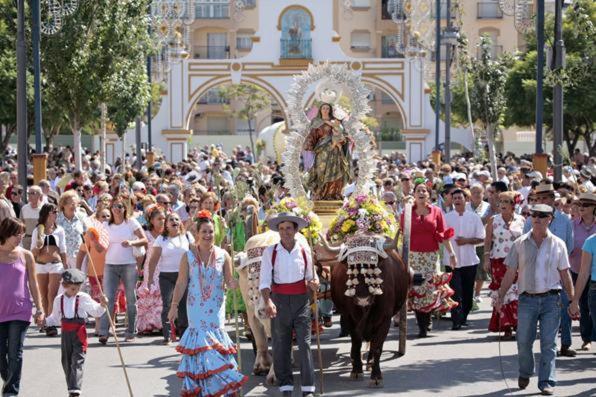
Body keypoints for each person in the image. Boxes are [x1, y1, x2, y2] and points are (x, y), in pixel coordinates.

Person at [496, 204, 575, 396]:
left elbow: (565, 275)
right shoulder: (520, 243)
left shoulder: (558, 244)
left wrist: (573, 301)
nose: (537, 218)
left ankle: (547, 381)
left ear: (551, 219)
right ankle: (525, 372)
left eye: (542, 215)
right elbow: (509, 274)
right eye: (534, 215)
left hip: (551, 299)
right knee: (524, 341)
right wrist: (500, 297)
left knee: (549, 343)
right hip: (527, 300)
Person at [167, 210, 246, 396]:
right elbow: (181, 282)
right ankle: (202, 391)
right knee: (200, 348)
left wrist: (235, 283)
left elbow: (229, 280)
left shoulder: (223, 255)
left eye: (211, 231)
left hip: (215, 309)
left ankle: (218, 390)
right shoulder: (187, 256)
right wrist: (174, 306)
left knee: (215, 349)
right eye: (204, 232)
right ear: (197, 233)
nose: (208, 235)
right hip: (195, 309)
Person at [259, 212, 319, 397]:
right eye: (282, 228)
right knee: (280, 345)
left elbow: (310, 276)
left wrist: (314, 282)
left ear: (295, 231)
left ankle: (308, 388)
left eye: (289, 228)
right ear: (278, 230)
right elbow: (264, 282)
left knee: (305, 344)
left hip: (301, 301)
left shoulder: (304, 250)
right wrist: (268, 301)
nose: (285, 232)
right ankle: (286, 386)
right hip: (279, 302)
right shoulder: (271, 252)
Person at [523, 183, 575, 357]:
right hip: (535, 272)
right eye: (538, 198)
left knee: (565, 305)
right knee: (538, 309)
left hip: (559, 270)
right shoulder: (530, 219)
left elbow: (569, 245)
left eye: (545, 197)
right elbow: (524, 244)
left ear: (553, 200)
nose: (541, 201)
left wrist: (560, 265)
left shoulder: (565, 220)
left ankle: (566, 343)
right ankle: (535, 346)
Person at [401, 180, 458, 338]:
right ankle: (422, 324)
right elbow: (401, 235)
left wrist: (452, 254)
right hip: (413, 257)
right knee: (417, 288)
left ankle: (428, 316)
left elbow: (443, 235)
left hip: (431, 257)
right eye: (418, 190)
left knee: (430, 289)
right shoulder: (407, 212)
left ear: (429, 195)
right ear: (413, 194)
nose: (421, 193)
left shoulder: (436, 211)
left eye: (424, 191)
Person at [43, 269, 107, 397]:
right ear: (64, 286)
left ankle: (75, 390)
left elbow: (96, 312)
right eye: (73, 288)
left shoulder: (83, 298)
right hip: (66, 334)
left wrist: (103, 305)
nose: (76, 291)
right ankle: (71, 387)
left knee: (77, 360)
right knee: (66, 362)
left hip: (79, 333)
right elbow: (54, 318)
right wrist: (44, 321)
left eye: (78, 288)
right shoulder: (58, 300)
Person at [0, 217, 44, 396]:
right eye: (16, 234)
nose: (20, 237)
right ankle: (9, 380)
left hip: (20, 310)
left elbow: (33, 284)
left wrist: (39, 309)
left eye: (22, 234)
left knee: (15, 352)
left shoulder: (26, 255)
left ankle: (11, 392)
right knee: (1, 355)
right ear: (6, 233)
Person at [98, 195, 147, 344]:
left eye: (120, 207)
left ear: (125, 209)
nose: (117, 209)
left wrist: (132, 242)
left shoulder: (130, 222)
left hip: (128, 264)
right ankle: (104, 332)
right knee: (108, 299)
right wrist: (93, 240)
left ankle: (131, 331)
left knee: (131, 298)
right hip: (110, 265)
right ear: (111, 209)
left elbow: (144, 240)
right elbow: (100, 246)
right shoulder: (106, 225)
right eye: (114, 207)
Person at [484, 191, 525, 338]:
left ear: (513, 205)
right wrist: (486, 258)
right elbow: (488, 241)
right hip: (498, 261)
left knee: (516, 292)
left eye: (506, 201)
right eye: (500, 201)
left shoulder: (521, 220)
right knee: (502, 291)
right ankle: (506, 326)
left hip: (517, 261)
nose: (502, 204)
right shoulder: (493, 220)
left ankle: (517, 324)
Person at [147, 212, 193, 344]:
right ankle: (167, 334)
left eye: (177, 219)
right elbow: (153, 261)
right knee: (167, 304)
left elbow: (196, 254)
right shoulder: (161, 239)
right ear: (166, 224)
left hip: (184, 276)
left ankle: (183, 334)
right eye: (171, 219)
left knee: (183, 305)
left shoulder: (188, 237)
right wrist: (149, 279)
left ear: (180, 223)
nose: (174, 221)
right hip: (166, 276)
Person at [444, 189, 485, 330]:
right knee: (455, 291)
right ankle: (456, 319)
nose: (457, 200)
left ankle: (464, 316)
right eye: (454, 198)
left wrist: (467, 241)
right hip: (451, 261)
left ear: (465, 199)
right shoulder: (447, 217)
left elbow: (482, 238)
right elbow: (442, 237)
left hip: (469, 260)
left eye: (459, 198)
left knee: (467, 292)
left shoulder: (473, 217)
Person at [30, 203, 68, 337]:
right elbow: (32, 251)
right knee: (43, 295)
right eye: (54, 212)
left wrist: (65, 264)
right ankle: (45, 322)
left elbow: (63, 249)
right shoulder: (37, 230)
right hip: (40, 264)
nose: (56, 214)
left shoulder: (59, 230)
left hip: (55, 264)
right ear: (47, 214)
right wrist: (38, 245)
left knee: (52, 294)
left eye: (57, 212)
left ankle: (51, 323)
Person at [303, 103, 352, 200]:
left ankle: (334, 194)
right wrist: (308, 144)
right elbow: (312, 136)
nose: (325, 110)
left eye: (327, 108)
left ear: (330, 110)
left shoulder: (335, 122)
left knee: (337, 170)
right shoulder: (316, 122)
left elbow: (344, 135)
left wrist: (339, 140)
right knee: (321, 171)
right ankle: (320, 193)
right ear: (320, 110)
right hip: (322, 151)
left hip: (335, 151)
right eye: (323, 108)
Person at [568, 192, 596, 350]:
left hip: (594, 272)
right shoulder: (572, 225)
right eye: (580, 205)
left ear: (594, 208)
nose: (582, 208)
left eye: (586, 205)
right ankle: (587, 338)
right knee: (584, 305)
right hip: (577, 269)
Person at [135, 205, 165, 335]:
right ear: (151, 220)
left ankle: (162, 323)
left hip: (165, 266)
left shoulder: (167, 234)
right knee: (150, 293)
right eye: (159, 218)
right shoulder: (146, 234)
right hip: (150, 267)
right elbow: (140, 253)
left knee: (163, 295)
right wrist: (139, 268)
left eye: (164, 218)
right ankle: (148, 324)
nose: (162, 221)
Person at [57, 190, 88, 271]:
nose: (73, 206)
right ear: (63, 204)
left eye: (75, 203)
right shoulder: (56, 219)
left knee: (79, 281)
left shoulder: (82, 217)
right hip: (61, 256)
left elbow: (87, 234)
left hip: (79, 256)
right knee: (63, 281)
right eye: (71, 203)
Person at [19, 186, 43, 250]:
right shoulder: (24, 208)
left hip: (39, 241)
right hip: (26, 241)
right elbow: (20, 225)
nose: (29, 195)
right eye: (28, 193)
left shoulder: (44, 209)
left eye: (32, 193)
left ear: (39, 195)